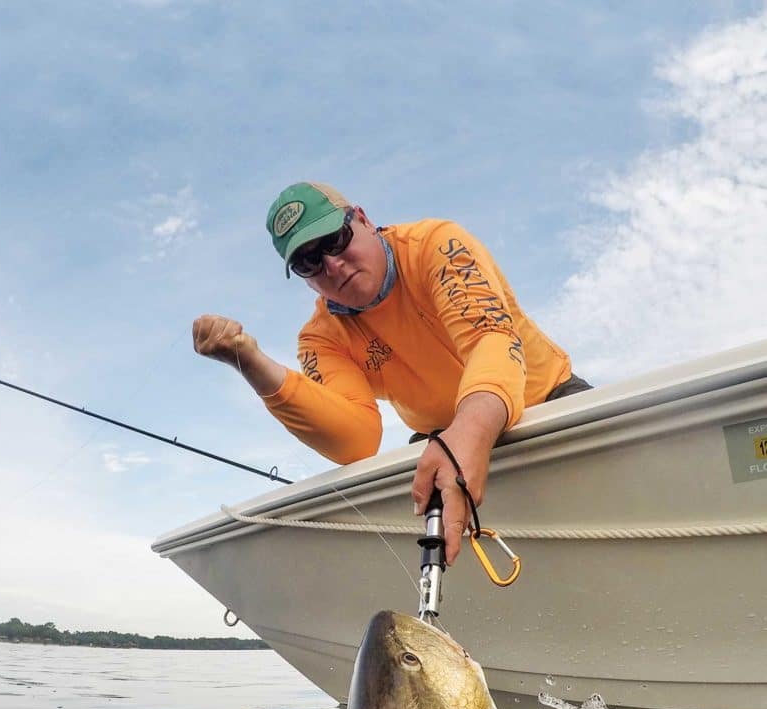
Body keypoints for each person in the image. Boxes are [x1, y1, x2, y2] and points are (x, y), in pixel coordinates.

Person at [193, 182, 590, 566]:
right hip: (440, 440)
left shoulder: (436, 244)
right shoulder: (318, 339)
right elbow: (356, 439)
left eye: (334, 239)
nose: (332, 264)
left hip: (545, 400)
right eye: (308, 261)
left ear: (363, 219)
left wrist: (470, 431)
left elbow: (490, 338)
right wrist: (252, 363)